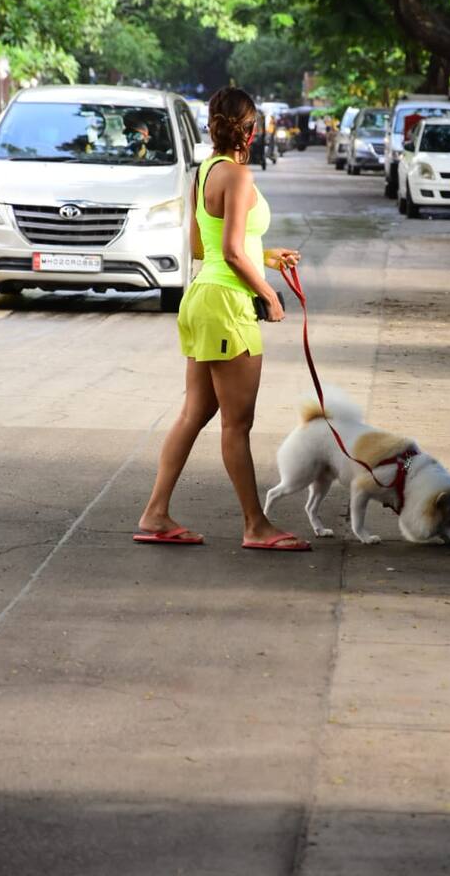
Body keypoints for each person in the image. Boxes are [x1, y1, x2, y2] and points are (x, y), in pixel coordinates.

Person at [135, 86, 310, 551]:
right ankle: (255, 525)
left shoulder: (204, 172)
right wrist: (267, 293)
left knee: (196, 412)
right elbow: (231, 251)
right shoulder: (238, 176)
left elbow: (203, 247)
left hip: (201, 297)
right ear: (251, 130)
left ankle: (155, 513)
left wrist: (266, 257)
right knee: (237, 423)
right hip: (227, 304)